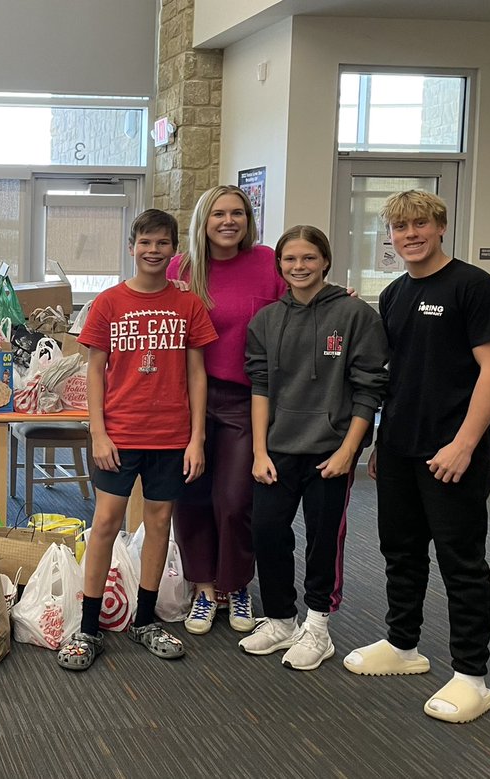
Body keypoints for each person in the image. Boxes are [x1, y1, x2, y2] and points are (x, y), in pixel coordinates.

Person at [344, 191, 490, 724]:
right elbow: (398, 374)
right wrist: (383, 441)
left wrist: (463, 444)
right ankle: (402, 645)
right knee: (402, 551)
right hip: (399, 447)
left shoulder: (474, 287)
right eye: (400, 227)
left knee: (461, 562)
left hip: (453, 451)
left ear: (440, 227)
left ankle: (472, 676)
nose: (410, 234)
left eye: (420, 224)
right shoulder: (395, 293)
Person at [59, 209, 216, 670]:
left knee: (160, 523)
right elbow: (94, 371)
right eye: (145, 242)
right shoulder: (109, 302)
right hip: (120, 433)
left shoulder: (188, 304)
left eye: (162, 243)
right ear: (132, 247)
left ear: (174, 250)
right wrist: (98, 432)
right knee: (105, 522)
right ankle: (88, 627)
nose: (153, 250)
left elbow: (197, 374)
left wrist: (197, 439)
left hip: (171, 435)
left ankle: (144, 621)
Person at [240, 226, 388, 670]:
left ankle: (318, 625)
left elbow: (369, 389)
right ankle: (281, 619)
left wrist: (349, 451)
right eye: (290, 259)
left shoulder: (355, 315)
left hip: (330, 451)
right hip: (277, 449)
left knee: (324, 540)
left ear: (325, 261)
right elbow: (260, 387)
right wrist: (260, 451)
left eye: (308, 258)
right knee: (267, 531)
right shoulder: (266, 320)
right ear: (279, 265)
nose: (299, 266)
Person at [167, 185, 287, 635]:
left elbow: (301, 301)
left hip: (245, 400)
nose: (229, 221)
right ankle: (203, 587)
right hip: (187, 399)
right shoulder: (182, 268)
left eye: (238, 213)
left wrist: (338, 300)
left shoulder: (267, 262)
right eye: (219, 213)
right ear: (204, 220)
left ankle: (235, 586)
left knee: (235, 501)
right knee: (191, 495)